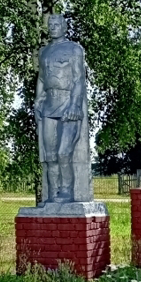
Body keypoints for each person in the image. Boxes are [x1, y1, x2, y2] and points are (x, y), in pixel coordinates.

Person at [34, 14, 85, 203]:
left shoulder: (74, 49)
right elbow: (41, 78)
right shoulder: (43, 52)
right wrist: (37, 101)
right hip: (49, 105)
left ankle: (67, 191)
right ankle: (53, 193)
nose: (53, 27)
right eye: (50, 24)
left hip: (67, 104)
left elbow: (79, 78)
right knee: (50, 156)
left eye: (57, 24)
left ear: (65, 27)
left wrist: (74, 105)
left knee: (64, 152)